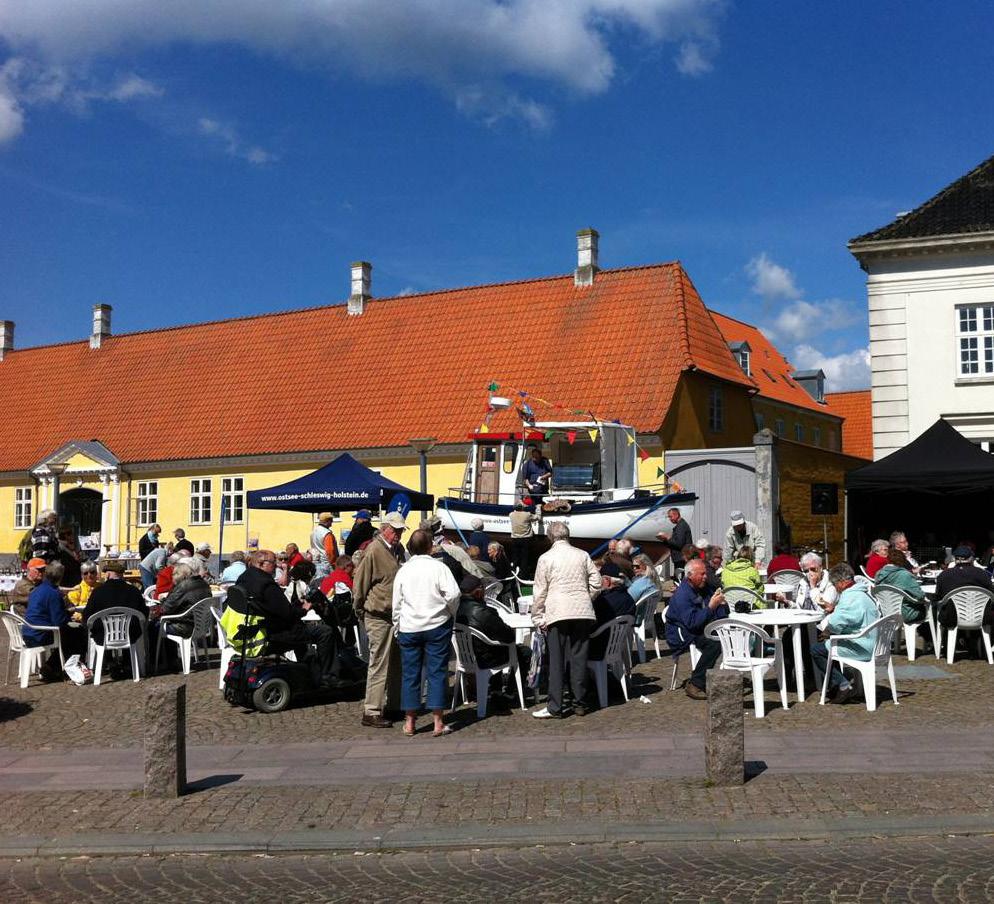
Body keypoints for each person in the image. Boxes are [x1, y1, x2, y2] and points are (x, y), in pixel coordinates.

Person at [235, 550, 340, 688]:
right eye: (274, 563)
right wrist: (304, 609)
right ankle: (327, 676)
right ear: (261, 564)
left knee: (302, 633)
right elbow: (288, 614)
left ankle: (309, 672)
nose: (277, 566)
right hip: (277, 633)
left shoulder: (244, 578)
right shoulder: (267, 585)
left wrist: (296, 606)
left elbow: (277, 608)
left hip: (256, 629)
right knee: (325, 631)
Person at [392, 529, 461, 737]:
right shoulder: (439, 567)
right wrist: (450, 611)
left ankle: (410, 722)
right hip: (437, 624)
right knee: (437, 672)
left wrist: (397, 625)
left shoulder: (403, 571)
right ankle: (438, 722)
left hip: (410, 626)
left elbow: (396, 603)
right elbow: (454, 593)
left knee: (410, 674)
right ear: (430, 546)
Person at [530, 522, 600, 719]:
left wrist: (537, 616)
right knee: (579, 658)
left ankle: (555, 706)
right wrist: (586, 597)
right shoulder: (582, 555)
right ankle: (580, 703)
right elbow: (597, 583)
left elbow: (540, 591)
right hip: (582, 611)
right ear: (567, 535)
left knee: (557, 660)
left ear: (551, 537)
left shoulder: (546, 558)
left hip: (558, 611)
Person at [353, 511, 407, 728]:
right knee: (379, 663)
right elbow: (360, 584)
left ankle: (394, 705)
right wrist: (359, 610)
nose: (398, 534)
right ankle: (371, 710)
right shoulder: (374, 550)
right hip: (377, 614)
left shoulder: (398, 550)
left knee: (397, 663)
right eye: (395, 530)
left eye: (401, 531)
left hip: (394, 615)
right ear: (385, 528)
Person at [810, 563, 879, 704]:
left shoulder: (849, 597)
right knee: (829, 644)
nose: (835, 588)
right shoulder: (863, 593)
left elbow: (835, 623)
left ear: (842, 583)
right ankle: (841, 684)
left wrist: (827, 631)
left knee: (817, 649)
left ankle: (842, 684)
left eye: (835, 585)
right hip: (875, 643)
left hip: (863, 647)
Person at [455, 574, 528, 706]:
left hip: (466, 658)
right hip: (485, 658)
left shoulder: (457, 609)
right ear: (477, 592)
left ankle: (495, 690)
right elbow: (509, 637)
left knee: (495, 645)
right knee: (523, 651)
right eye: (482, 588)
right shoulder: (482, 612)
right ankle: (510, 693)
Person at [664, 558, 729, 699]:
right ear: (690, 576)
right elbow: (692, 622)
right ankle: (696, 683)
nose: (705, 577)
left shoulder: (704, 588)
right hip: (681, 631)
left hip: (698, 626)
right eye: (701, 574)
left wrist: (721, 605)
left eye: (705, 573)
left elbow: (720, 615)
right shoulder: (683, 594)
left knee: (726, 635)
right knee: (714, 642)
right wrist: (712, 606)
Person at [23, 561, 81, 676]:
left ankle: (53, 666)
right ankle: (55, 667)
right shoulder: (53, 593)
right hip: (40, 634)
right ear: (60, 577)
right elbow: (58, 622)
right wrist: (69, 614)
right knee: (77, 634)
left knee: (72, 634)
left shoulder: (36, 590)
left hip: (28, 632)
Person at [152, 561, 212, 667]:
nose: (173, 578)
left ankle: (160, 661)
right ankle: (171, 659)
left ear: (180, 575)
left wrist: (162, 600)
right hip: (201, 625)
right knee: (165, 621)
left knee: (153, 626)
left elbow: (166, 608)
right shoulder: (204, 584)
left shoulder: (183, 587)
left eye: (174, 575)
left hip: (185, 626)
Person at [84, 560, 147, 650]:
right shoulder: (134, 591)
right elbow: (144, 613)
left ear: (107, 575)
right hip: (130, 635)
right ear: (121, 575)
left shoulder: (98, 592)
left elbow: (87, 616)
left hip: (103, 636)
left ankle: (106, 660)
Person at [589, 570, 636, 660]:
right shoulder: (629, 598)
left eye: (599, 579)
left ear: (607, 581)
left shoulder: (604, 601)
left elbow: (593, 626)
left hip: (599, 647)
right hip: (617, 645)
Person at [874, 548, 927, 624]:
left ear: (888, 560)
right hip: (907, 613)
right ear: (903, 561)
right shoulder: (904, 575)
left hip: (885, 613)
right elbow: (920, 596)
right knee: (931, 606)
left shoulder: (878, 574)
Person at [509, 502, 538, 579]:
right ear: (522, 508)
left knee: (515, 557)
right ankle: (523, 576)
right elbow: (537, 517)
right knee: (525, 558)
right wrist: (538, 508)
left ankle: (514, 574)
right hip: (526, 539)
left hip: (515, 539)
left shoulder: (511, 514)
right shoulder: (527, 514)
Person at [310, 512, 340, 580]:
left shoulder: (314, 531)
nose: (332, 522)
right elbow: (330, 551)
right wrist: (334, 564)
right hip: (327, 564)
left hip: (317, 561)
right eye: (331, 520)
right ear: (327, 521)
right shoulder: (327, 533)